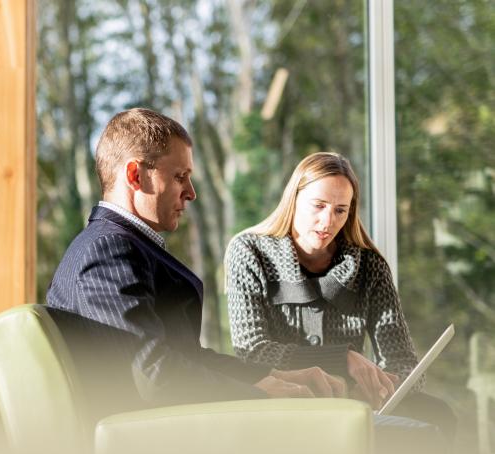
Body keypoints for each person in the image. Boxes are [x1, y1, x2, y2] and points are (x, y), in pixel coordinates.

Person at [46, 108, 346, 412]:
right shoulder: (108, 249)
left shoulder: (120, 246)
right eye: (180, 177)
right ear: (135, 175)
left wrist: (272, 376)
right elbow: (154, 376)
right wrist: (259, 395)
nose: (191, 193)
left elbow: (185, 358)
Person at [225, 151, 456, 439]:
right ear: (293, 199)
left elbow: (405, 363)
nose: (327, 221)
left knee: (438, 414)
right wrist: (342, 358)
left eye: (339, 210)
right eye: (318, 206)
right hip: (284, 404)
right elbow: (252, 352)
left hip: (353, 405)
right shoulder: (249, 252)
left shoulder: (369, 266)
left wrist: (378, 389)